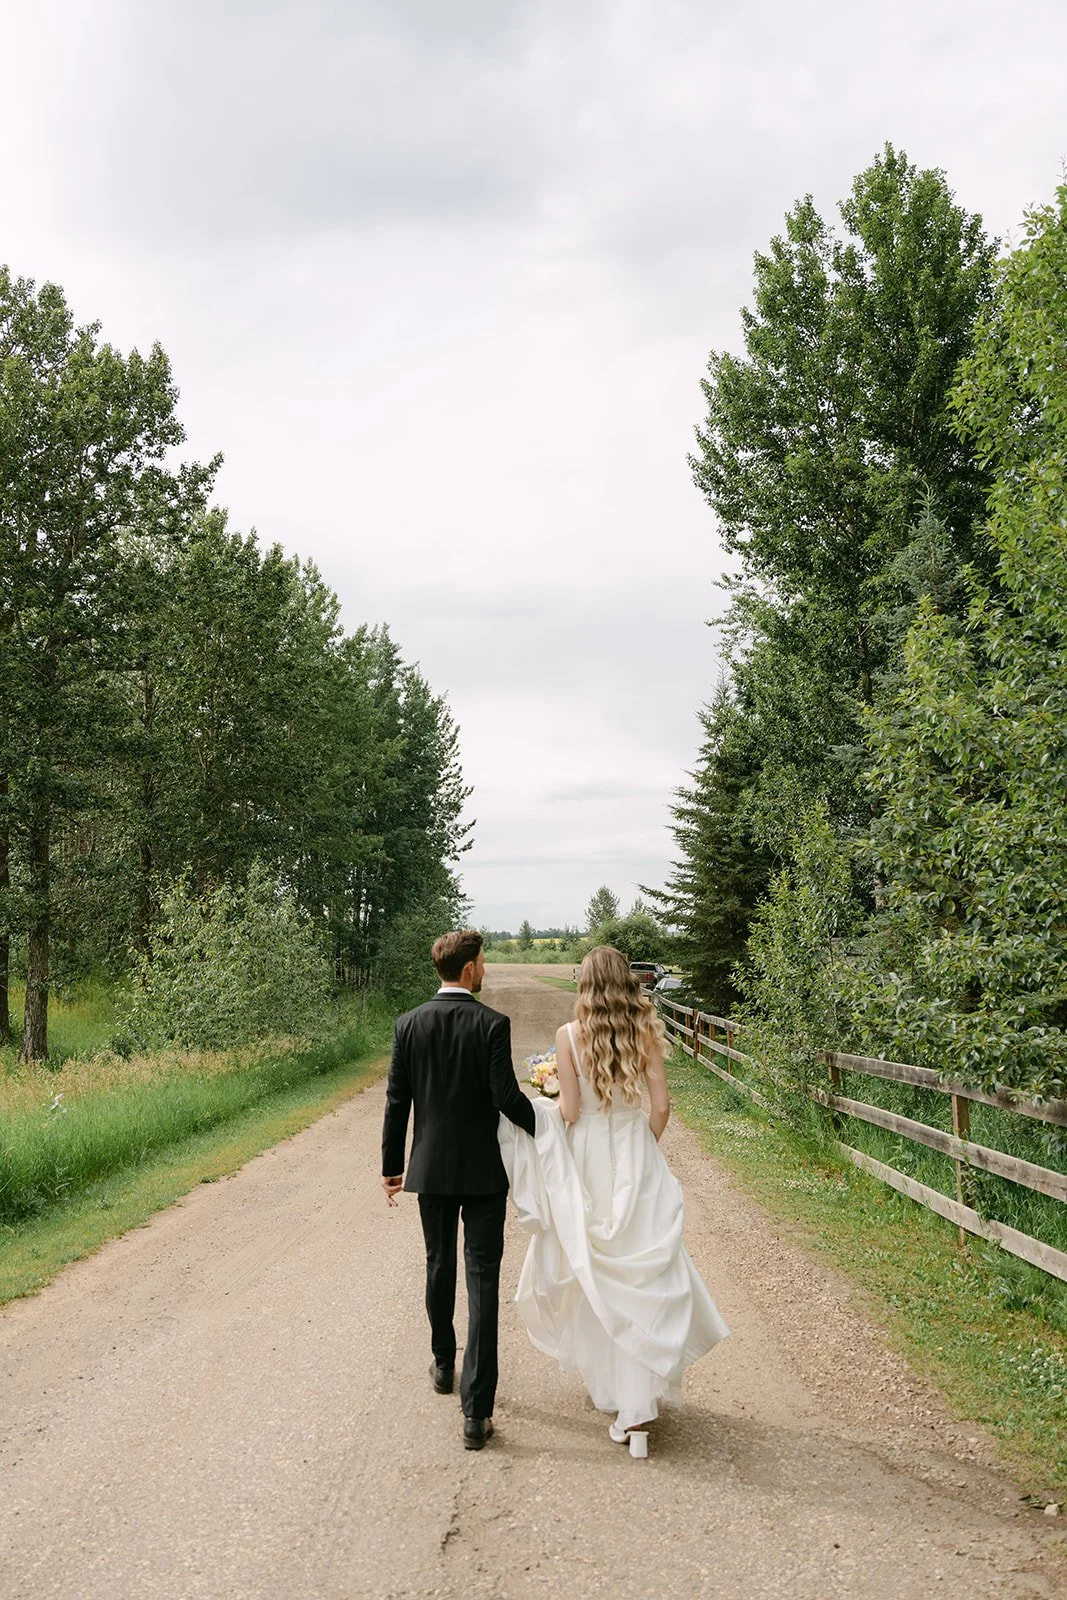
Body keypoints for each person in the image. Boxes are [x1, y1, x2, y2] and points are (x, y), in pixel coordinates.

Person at [498, 945, 728, 1454]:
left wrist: (549, 1098)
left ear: (584, 984)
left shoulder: (569, 1036)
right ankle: (635, 1402)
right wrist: (643, 1152)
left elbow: (572, 1112)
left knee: (595, 1272)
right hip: (633, 1149)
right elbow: (662, 1107)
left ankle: (622, 1399)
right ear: (626, 981)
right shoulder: (645, 1030)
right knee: (641, 1273)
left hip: (587, 1158)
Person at [381, 928, 535, 1450]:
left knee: (438, 1264)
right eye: (484, 961)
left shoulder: (408, 1025)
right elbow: (505, 1096)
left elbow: (397, 1101)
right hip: (484, 1174)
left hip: (431, 1171)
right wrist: (555, 1126)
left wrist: (391, 1168)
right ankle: (477, 1413)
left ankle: (443, 1363)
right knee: (483, 1282)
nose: (486, 968)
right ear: (469, 969)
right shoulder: (492, 1024)